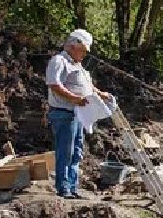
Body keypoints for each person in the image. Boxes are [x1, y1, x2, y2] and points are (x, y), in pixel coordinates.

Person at [44, 29, 114, 199]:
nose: (84, 55)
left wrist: (100, 94)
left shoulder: (78, 65)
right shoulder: (59, 61)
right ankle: (64, 188)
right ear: (73, 45)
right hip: (63, 113)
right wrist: (74, 98)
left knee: (76, 152)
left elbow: (86, 86)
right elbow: (54, 84)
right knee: (65, 152)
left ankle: (73, 187)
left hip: (78, 114)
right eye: (83, 50)